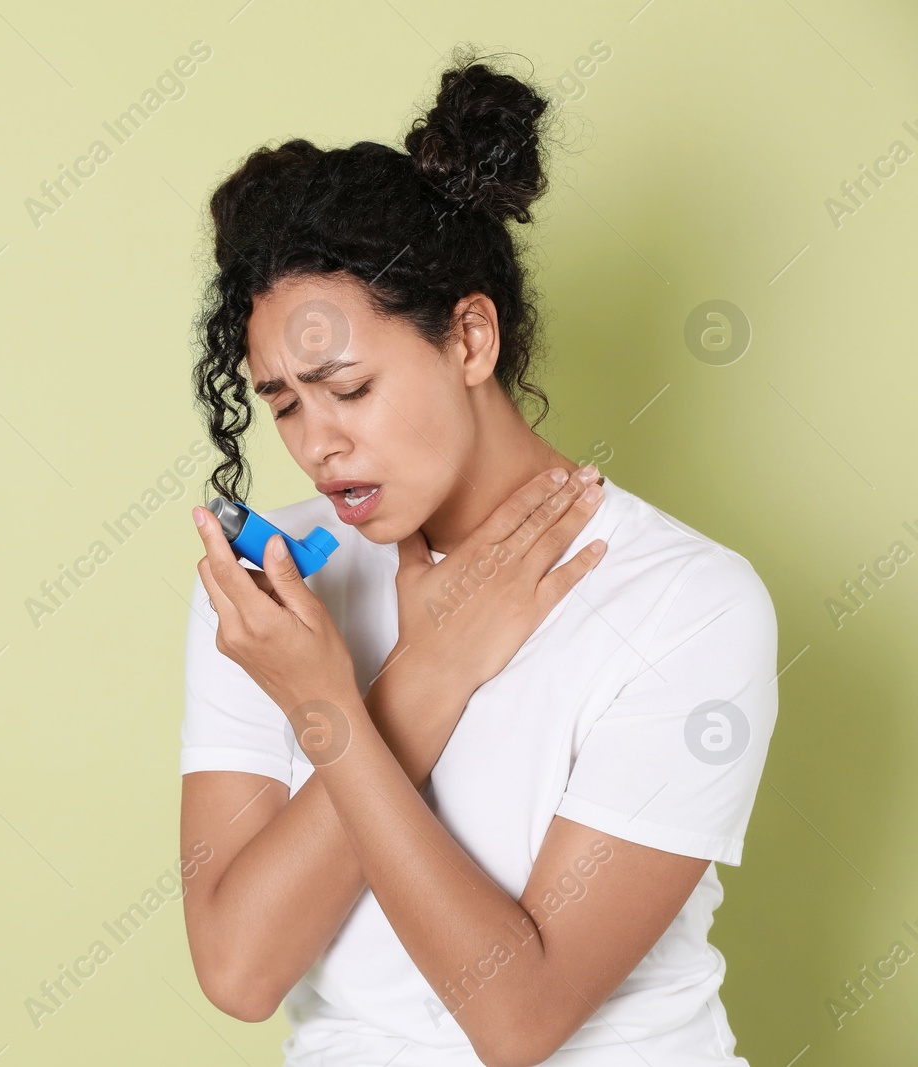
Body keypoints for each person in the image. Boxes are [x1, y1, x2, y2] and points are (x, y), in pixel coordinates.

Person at [178, 46, 779, 1067]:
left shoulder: (687, 600)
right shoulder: (273, 594)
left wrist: (342, 706)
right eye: (282, 401)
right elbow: (238, 971)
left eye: (348, 387)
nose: (316, 442)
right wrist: (420, 676)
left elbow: (518, 1017)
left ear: (468, 339)